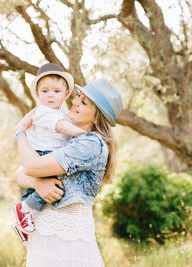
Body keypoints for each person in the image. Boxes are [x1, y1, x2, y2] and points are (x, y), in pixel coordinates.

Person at [14, 77, 123, 266]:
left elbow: (31, 167)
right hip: (47, 232)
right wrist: (38, 183)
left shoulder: (90, 143)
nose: (74, 101)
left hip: (67, 238)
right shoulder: (69, 138)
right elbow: (20, 173)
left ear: (97, 117)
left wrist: (20, 132)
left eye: (83, 102)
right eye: (78, 96)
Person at [13, 63, 87, 241]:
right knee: (55, 184)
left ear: (66, 94)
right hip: (43, 152)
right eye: (44, 91)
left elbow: (67, 120)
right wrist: (84, 134)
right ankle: (24, 209)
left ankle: (22, 223)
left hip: (52, 153)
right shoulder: (42, 112)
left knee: (49, 187)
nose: (50, 96)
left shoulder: (61, 111)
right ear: (38, 94)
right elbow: (60, 126)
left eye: (56, 91)